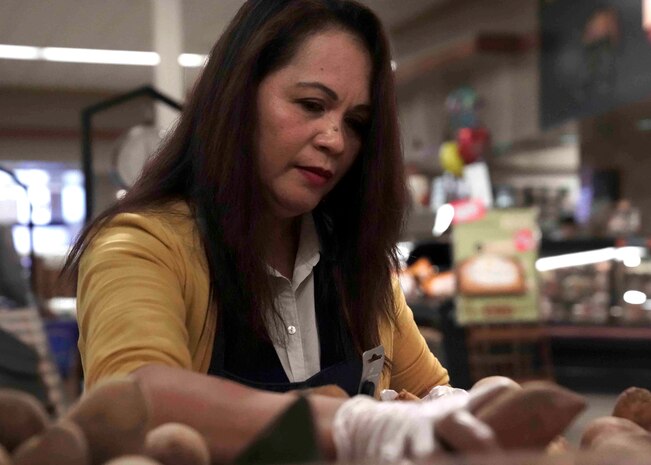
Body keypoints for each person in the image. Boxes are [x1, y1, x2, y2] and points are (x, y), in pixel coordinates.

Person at [64, 0, 490, 462]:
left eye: (356, 123)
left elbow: (429, 390)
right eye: (311, 105)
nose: (335, 139)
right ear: (238, 95)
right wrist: (348, 424)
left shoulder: (356, 267)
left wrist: (470, 406)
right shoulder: (142, 247)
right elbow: (132, 405)